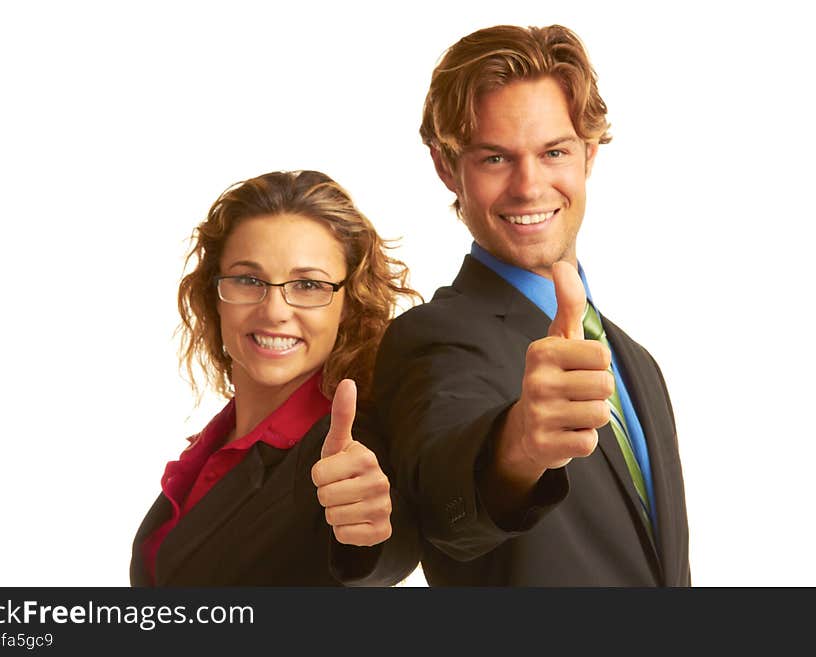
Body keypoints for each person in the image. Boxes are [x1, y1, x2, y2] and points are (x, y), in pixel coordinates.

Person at [372, 25, 690, 586]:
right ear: (448, 168)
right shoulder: (433, 342)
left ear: (587, 155)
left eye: (554, 152)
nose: (528, 185)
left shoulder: (636, 362)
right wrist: (517, 446)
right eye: (495, 158)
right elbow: (444, 502)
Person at [130, 169, 421, 586]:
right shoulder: (217, 443)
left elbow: (381, 544)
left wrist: (370, 534)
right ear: (214, 295)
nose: (274, 310)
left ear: (349, 305)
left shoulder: (348, 450)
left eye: (308, 285)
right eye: (249, 280)